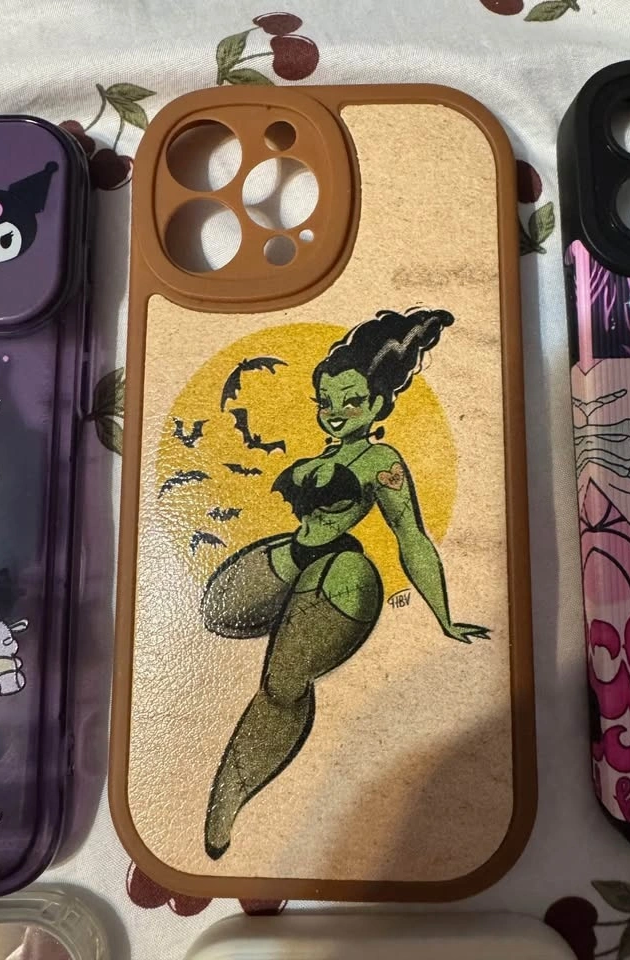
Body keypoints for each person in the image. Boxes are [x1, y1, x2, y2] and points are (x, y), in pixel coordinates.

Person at [202, 306, 490, 860]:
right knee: (216, 610)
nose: (335, 414)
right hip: (298, 554)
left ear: (379, 405)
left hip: (343, 577)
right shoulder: (327, 453)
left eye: (351, 402)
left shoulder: (381, 461)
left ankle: (229, 801)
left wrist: (445, 617)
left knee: (283, 684)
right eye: (326, 402)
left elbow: (412, 537)